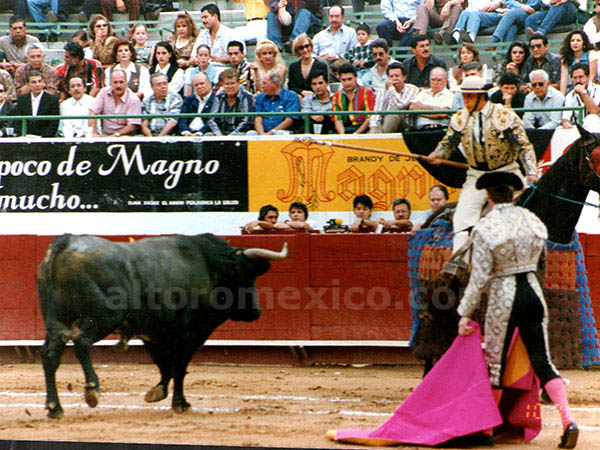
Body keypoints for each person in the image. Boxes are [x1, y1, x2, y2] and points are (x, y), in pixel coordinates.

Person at [457, 170, 579, 450]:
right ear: (512, 194)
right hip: (533, 293)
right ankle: (568, 422)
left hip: (504, 296)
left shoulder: (484, 228)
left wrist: (465, 313)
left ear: (488, 196)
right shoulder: (532, 220)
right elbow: (542, 260)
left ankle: (486, 432)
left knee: (495, 366)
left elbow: (479, 279)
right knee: (543, 361)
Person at [427, 75, 538, 253]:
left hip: (507, 171)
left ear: (482, 96)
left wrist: (531, 172)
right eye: (464, 96)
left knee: (527, 205)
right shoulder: (460, 118)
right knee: (462, 219)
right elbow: (448, 142)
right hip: (476, 174)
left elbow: (524, 146)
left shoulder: (505, 115)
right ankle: (459, 264)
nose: (466, 101)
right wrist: (437, 154)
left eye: (470, 96)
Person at [89, 69, 142, 137]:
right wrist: (93, 132)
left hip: (125, 136)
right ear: (110, 83)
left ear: (126, 82)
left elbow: (133, 125)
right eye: (115, 82)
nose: (118, 85)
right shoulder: (103, 92)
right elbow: (92, 112)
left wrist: (115, 135)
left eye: (121, 82)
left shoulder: (133, 99)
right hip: (105, 135)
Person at [369, 62, 419, 133]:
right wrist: (373, 127)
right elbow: (377, 112)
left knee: (394, 110)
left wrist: (391, 89)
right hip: (386, 123)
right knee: (376, 127)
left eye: (397, 76)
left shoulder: (412, 89)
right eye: (391, 76)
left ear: (404, 77)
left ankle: (383, 138)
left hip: (406, 122)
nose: (394, 79)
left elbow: (400, 105)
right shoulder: (383, 92)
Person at [206, 69, 255, 136]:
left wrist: (232, 135)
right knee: (208, 135)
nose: (230, 87)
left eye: (232, 83)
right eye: (227, 84)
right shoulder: (218, 98)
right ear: (222, 85)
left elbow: (247, 120)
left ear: (238, 83)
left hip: (239, 133)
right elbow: (211, 119)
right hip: (221, 133)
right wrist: (218, 134)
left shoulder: (246, 97)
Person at [11, 69, 59, 137]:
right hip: (25, 139)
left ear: (43, 83)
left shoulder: (52, 100)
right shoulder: (22, 100)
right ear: (28, 84)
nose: (37, 85)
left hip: (44, 140)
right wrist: (23, 136)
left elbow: (53, 124)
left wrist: (42, 138)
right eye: (34, 82)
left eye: (39, 81)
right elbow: (18, 122)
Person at [332, 63, 375, 134]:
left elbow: (369, 118)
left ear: (356, 77)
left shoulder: (367, 92)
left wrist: (356, 134)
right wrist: (343, 135)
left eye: (349, 79)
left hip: (363, 128)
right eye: (344, 80)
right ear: (339, 80)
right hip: (345, 129)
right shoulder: (336, 96)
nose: (347, 83)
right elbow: (338, 119)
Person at [253, 70, 299, 135]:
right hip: (263, 132)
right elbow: (258, 118)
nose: (262, 86)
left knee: (279, 134)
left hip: (282, 131)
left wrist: (270, 133)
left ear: (274, 84)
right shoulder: (260, 97)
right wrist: (262, 135)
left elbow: (289, 120)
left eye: (264, 83)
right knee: (251, 133)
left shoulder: (291, 96)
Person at [192, 3, 236, 69]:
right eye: (202, 18)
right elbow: (193, 55)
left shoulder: (229, 34)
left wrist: (219, 60)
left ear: (215, 16)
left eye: (205, 17)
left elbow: (238, 57)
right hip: (203, 70)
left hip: (224, 69)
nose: (203, 21)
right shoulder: (202, 34)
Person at [560, 63, 600, 132]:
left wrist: (583, 93)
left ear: (588, 77)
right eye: (575, 78)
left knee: (592, 118)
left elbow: (594, 111)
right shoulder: (570, 95)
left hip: (597, 130)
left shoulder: (598, 90)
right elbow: (566, 118)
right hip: (577, 131)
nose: (577, 81)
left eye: (581, 77)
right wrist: (567, 124)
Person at [288, 34, 328, 99]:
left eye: (307, 46)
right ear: (297, 50)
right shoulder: (293, 67)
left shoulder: (321, 65)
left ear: (311, 47)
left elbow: (325, 84)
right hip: (300, 97)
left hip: (318, 97)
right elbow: (291, 87)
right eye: (301, 48)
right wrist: (302, 92)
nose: (305, 50)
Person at [178, 72, 215, 136]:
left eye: (202, 83)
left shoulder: (216, 100)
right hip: (187, 134)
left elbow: (213, 121)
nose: (199, 87)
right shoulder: (189, 99)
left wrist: (199, 133)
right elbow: (182, 118)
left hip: (206, 134)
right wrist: (186, 132)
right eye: (196, 85)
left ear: (209, 84)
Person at [559, 30, 595, 95]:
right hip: (574, 88)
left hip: (591, 88)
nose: (575, 43)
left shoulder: (591, 54)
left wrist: (585, 91)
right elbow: (564, 79)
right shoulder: (565, 58)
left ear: (583, 43)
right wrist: (562, 95)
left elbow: (592, 76)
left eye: (578, 41)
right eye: (572, 41)